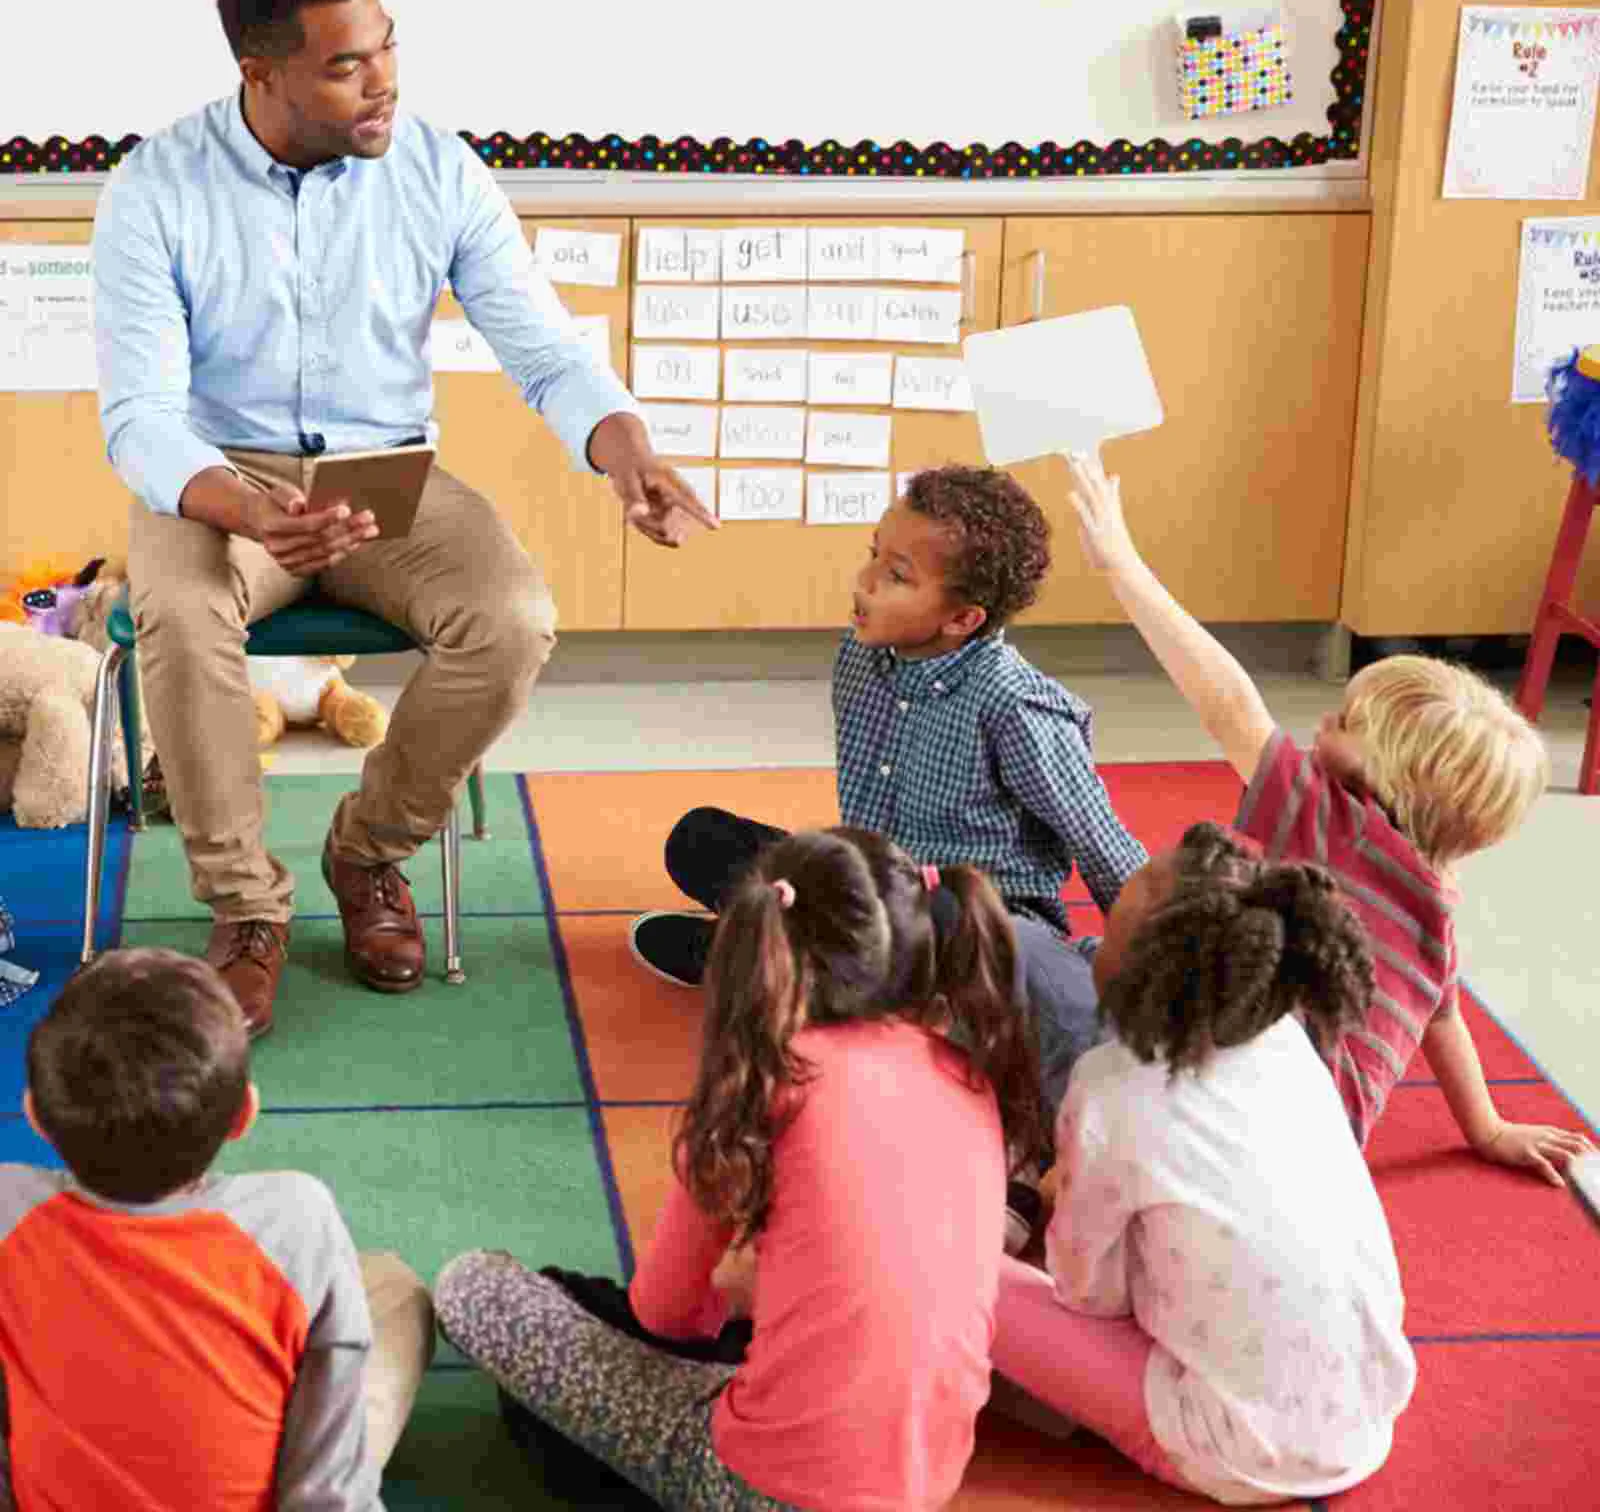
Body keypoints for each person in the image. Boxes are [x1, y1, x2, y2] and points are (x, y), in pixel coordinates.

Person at [93, 0, 715, 1039]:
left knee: (514, 617)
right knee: (180, 613)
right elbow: (139, 414)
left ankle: (366, 851)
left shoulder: (437, 169)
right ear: (260, 72)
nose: (382, 80)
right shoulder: (156, 188)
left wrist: (628, 448)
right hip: (219, 480)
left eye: (385, 47)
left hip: (387, 477)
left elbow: (546, 349)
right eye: (344, 65)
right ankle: (246, 908)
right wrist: (243, 507)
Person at [436, 828, 1040, 1511]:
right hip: (928, 1481)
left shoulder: (766, 1082)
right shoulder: (967, 1077)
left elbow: (667, 1317)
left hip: (761, 1485)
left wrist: (735, 1288)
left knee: (475, 1287)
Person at [1065, 454, 1595, 1182]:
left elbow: (1228, 702)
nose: (1322, 723)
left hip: (1216, 1111)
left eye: (1345, 721)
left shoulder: (1327, 818)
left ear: (1390, 782)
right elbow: (1444, 1020)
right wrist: (1489, 1126)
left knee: (1042, 969)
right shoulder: (1434, 902)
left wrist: (1120, 564)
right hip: (1320, 1156)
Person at [629, 466, 1147, 1175]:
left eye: (896, 574)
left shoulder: (1014, 707)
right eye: (874, 553)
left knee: (965, 980)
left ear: (963, 619)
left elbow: (1100, 839)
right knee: (702, 839)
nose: (865, 581)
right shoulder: (863, 657)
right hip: (875, 892)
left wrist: (1165, 956)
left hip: (971, 927)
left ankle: (767, 961)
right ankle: (784, 957)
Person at [992, 822, 1417, 1505]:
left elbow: (1085, 1293)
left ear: (1133, 974)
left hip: (1237, 1450)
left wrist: (1045, 1201)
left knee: (961, 1272)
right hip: (1366, 1412)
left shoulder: (1111, 1084)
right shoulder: (1286, 1041)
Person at [0, 947, 434, 1506]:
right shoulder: (295, 1218)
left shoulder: (11, 1213)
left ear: (34, 1116)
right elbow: (328, 1485)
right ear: (244, 1115)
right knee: (394, 1289)